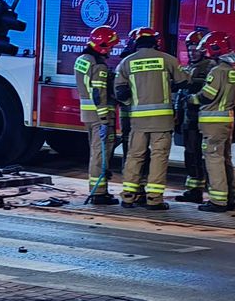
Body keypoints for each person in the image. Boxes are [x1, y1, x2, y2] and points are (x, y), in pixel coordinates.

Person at [114, 26, 188, 210]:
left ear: (136, 43)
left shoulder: (126, 63)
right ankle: (154, 199)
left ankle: (129, 196)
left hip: (138, 121)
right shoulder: (168, 60)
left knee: (134, 156)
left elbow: (120, 93)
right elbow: (184, 82)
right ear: (156, 42)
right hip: (162, 121)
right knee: (158, 158)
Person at [190, 32, 235, 213]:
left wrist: (192, 99)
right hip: (227, 120)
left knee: (213, 160)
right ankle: (230, 198)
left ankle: (218, 201)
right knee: (226, 159)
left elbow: (207, 95)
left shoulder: (216, 71)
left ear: (214, 49)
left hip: (212, 122)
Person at [75, 27, 120, 205]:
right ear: (102, 45)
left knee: (95, 152)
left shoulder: (82, 59)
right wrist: (104, 119)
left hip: (87, 114)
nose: (110, 50)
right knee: (100, 153)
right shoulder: (99, 65)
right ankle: (99, 193)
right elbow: (98, 93)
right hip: (99, 116)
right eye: (109, 46)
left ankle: (99, 190)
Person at [175, 29, 215, 204]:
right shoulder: (188, 67)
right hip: (187, 119)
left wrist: (192, 84)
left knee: (197, 155)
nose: (192, 52)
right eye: (190, 49)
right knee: (190, 155)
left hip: (199, 120)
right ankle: (192, 189)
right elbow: (181, 96)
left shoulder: (209, 67)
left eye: (196, 49)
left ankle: (197, 190)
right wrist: (177, 115)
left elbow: (206, 91)